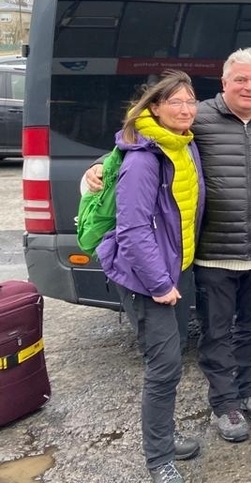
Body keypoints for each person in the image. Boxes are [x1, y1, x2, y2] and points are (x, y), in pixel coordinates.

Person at [91, 48, 251, 444]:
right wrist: (98, 167)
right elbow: (143, 144)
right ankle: (225, 403)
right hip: (214, 251)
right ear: (225, 81)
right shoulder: (199, 119)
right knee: (215, 333)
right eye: (241, 79)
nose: (249, 87)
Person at [95, 71, 205, 483]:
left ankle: (165, 437)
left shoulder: (184, 146)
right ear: (154, 108)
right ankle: (159, 460)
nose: (185, 109)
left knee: (173, 360)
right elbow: (134, 228)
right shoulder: (143, 159)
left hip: (178, 269)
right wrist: (160, 284)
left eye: (190, 101)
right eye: (175, 102)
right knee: (163, 367)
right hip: (149, 280)